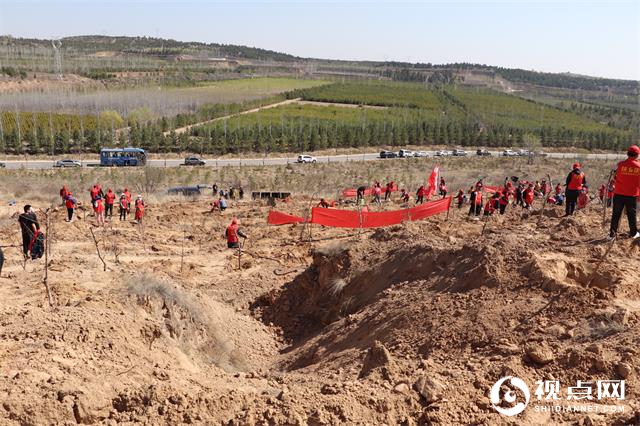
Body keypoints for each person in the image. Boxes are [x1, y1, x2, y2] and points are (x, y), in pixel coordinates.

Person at [608, 145, 640, 240]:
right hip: (632, 195)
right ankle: (633, 234)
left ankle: (612, 235)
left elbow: (615, 177)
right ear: (637, 155)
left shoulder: (620, 165)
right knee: (631, 215)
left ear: (627, 153)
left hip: (618, 194)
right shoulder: (639, 166)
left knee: (616, 214)